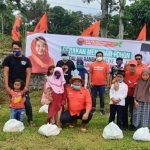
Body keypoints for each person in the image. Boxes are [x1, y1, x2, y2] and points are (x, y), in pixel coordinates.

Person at [2, 41, 35, 126]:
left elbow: (28, 73)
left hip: (23, 86)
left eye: (17, 49)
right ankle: (14, 119)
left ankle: (30, 120)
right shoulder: (8, 59)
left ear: (21, 49)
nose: (16, 50)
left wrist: (26, 87)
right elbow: (5, 73)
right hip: (11, 86)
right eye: (14, 49)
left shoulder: (26, 60)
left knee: (26, 103)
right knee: (14, 103)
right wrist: (7, 87)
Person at [122, 60, 141, 130]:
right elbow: (119, 79)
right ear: (128, 66)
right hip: (126, 95)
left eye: (134, 66)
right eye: (131, 66)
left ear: (136, 67)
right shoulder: (125, 74)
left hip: (135, 96)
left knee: (134, 111)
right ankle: (124, 125)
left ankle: (133, 125)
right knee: (124, 110)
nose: (132, 67)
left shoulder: (139, 75)